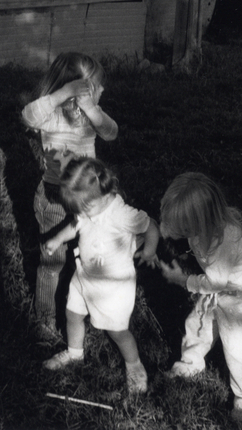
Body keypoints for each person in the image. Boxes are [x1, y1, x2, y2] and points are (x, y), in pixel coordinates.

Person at [41, 158, 160, 394]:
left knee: (117, 331)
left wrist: (149, 251)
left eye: (85, 208)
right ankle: (74, 353)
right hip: (84, 275)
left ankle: (134, 365)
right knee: (72, 314)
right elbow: (76, 225)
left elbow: (151, 226)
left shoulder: (121, 214)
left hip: (112, 286)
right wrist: (57, 239)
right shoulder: (89, 206)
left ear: (105, 195)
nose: (82, 213)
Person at [21, 52, 118, 337]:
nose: (103, 89)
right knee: (52, 261)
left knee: (89, 254)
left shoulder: (90, 117)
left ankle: (85, 309)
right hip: (54, 199)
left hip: (88, 197)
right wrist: (61, 94)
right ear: (77, 88)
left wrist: (91, 108)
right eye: (96, 86)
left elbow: (111, 132)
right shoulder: (51, 116)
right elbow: (27, 116)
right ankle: (45, 318)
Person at [158, 172, 242, 423]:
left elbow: (214, 282)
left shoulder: (224, 241)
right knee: (197, 323)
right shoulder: (206, 224)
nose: (182, 232)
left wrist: (182, 280)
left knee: (237, 346)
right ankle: (190, 363)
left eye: (185, 228)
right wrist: (168, 228)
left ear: (201, 221)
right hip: (222, 287)